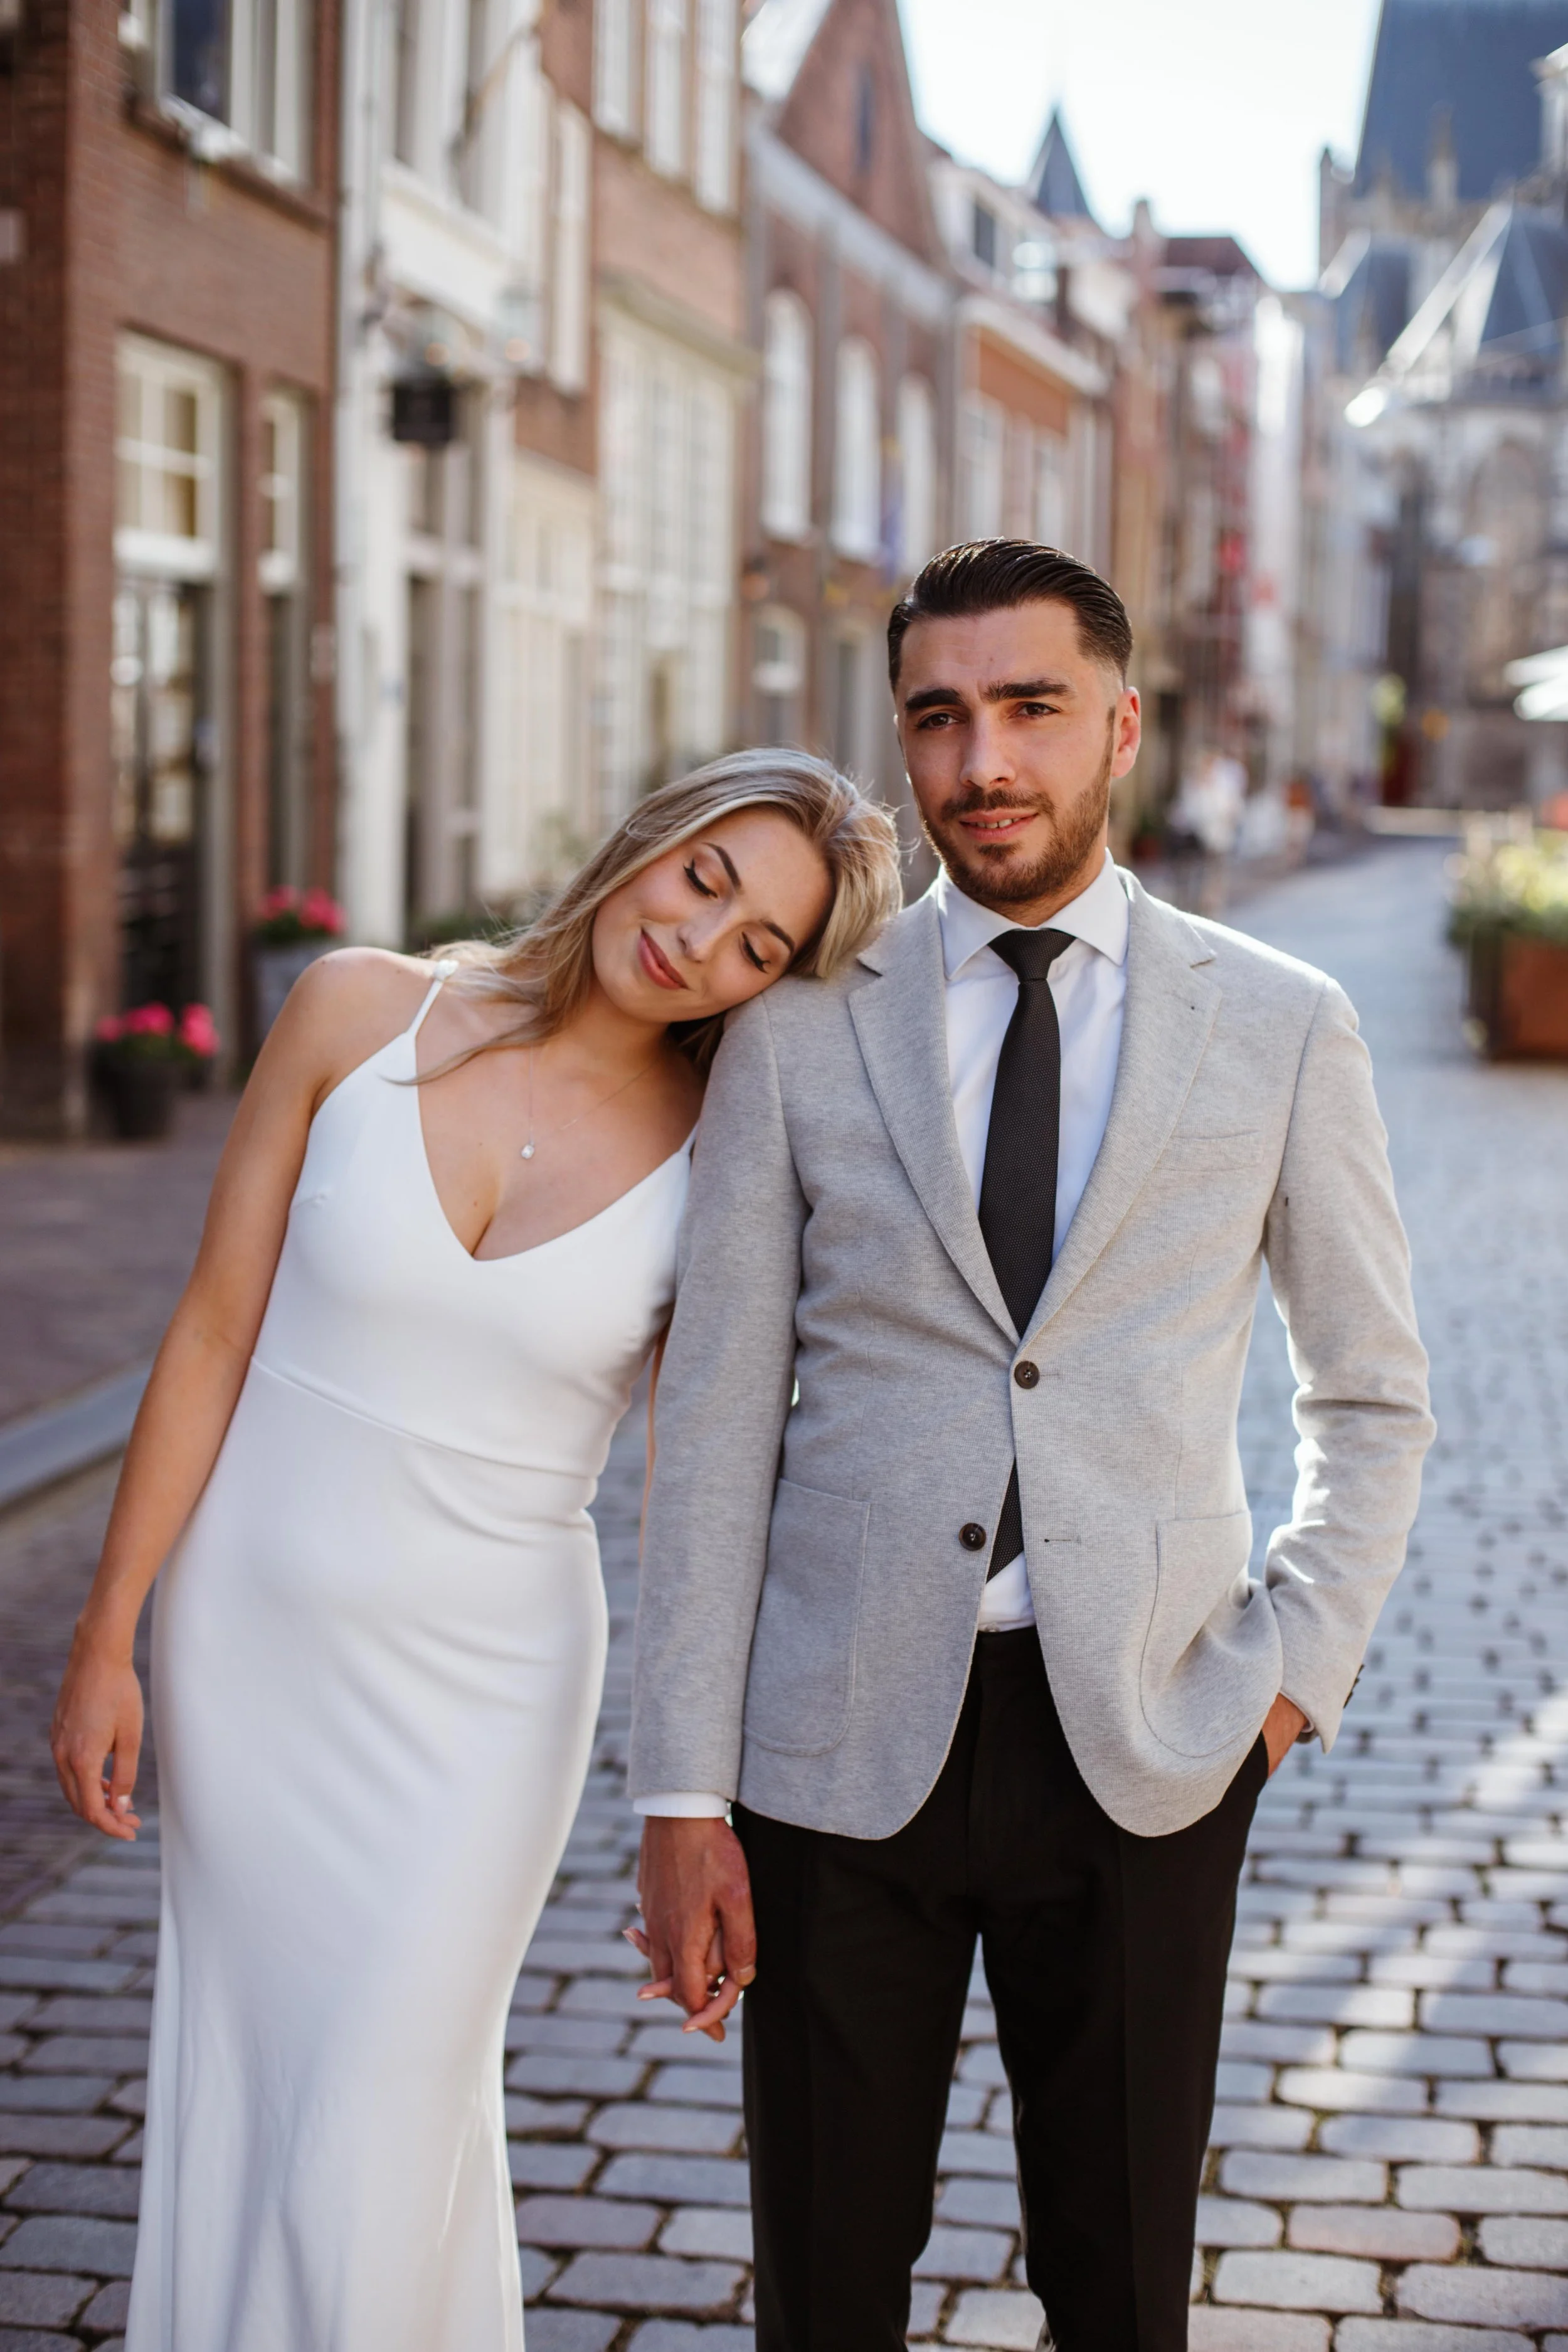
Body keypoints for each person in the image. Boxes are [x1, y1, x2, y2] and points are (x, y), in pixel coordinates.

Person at [629, 543, 1434, 2352]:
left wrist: (1291, 1671)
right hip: (836, 1753)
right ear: (902, 742)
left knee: (1119, 2275)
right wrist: (680, 1788)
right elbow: (714, 1423)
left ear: (1119, 727)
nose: (983, 759)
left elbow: (1371, 1390)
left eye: (1030, 709)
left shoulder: (1282, 1022)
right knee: (825, 2282)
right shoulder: (795, 1022)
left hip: (1149, 1740)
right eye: (939, 716)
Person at [49, 750, 902, 2352]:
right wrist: (112, 1631)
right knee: (256, 2075)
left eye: (759, 947)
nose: (700, 944)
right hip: (252, 1644)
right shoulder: (352, 1013)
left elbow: (702, 1478)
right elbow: (215, 1327)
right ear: (652, 839)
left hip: (486, 1695)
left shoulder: (725, 1152)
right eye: (705, 880)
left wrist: (700, 1790)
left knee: (386, 2091)